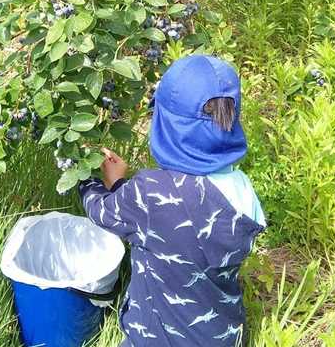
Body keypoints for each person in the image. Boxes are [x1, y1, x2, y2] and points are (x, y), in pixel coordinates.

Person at [79, 54, 266, 346]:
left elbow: (102, 211)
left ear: (167, 126)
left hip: (157, 338)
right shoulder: (242, 188)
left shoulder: (150, 191)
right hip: (223, 335)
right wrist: (121, 185)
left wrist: (84, 175)